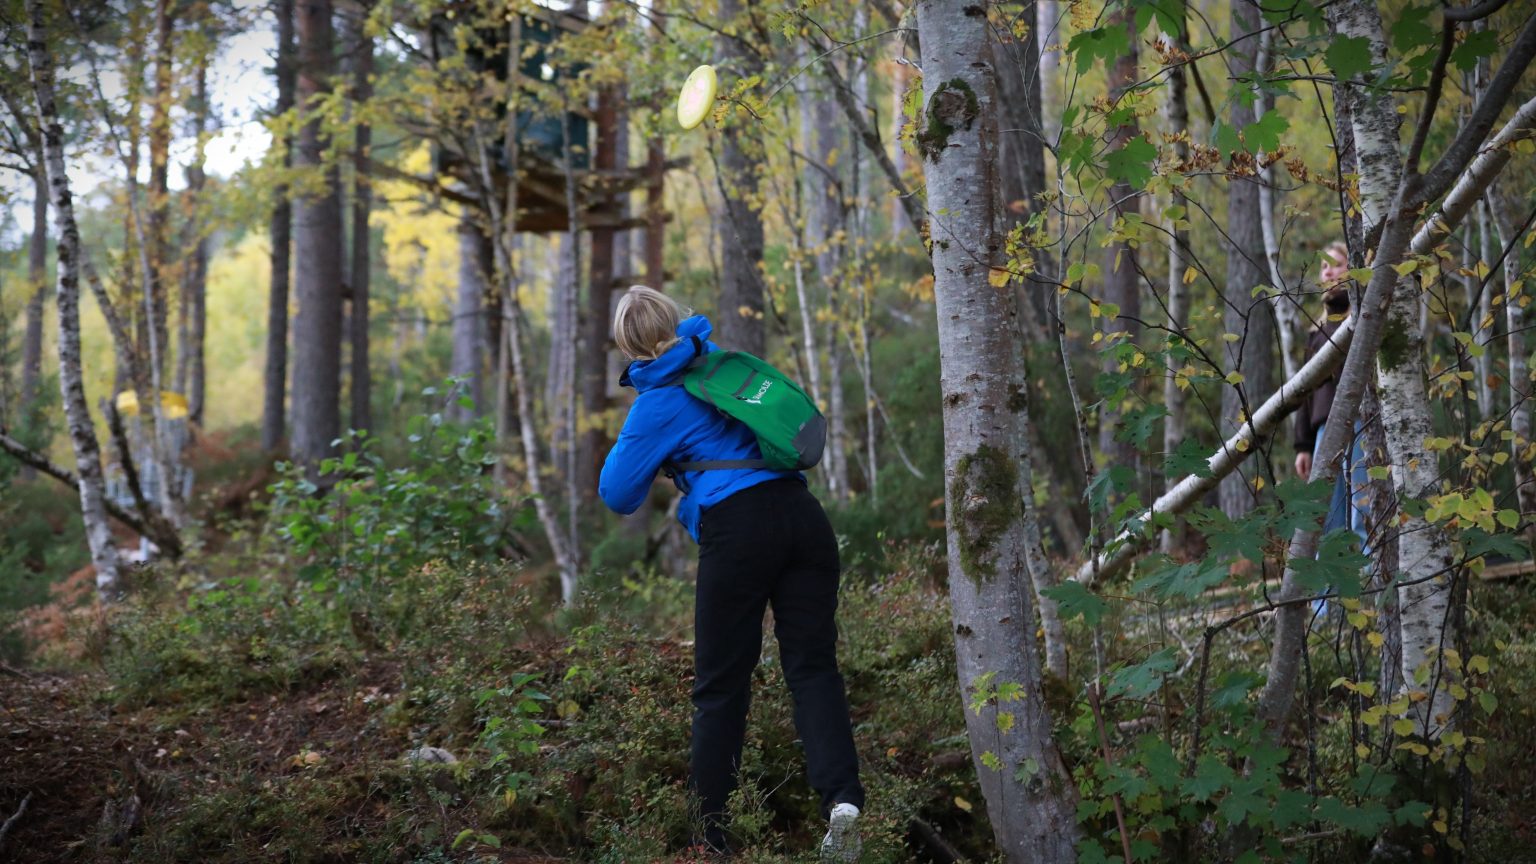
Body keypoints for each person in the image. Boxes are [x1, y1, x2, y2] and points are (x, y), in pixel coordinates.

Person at [598, 286, 865, 860]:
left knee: (720, 687)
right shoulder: (725, 366)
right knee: (813, 667)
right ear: (677, 322)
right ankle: (843, 802)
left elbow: (617, 494)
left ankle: (708, 837)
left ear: (628, 347)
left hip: (739, 530)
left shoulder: (658, 402)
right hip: (804, 517)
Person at [1294, 241, 1371, 550]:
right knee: (1328, 516)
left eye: (1336, 265)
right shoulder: (1315, 334)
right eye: (1324, 267)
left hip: (1361, 422)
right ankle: (1327, 582)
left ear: (1352, 270)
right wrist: (1303, 446)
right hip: (1324, 431)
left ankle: (1369, 576)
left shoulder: (1364, 319)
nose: (1328, 273)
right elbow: (1305, 393)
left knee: (1362, 509)